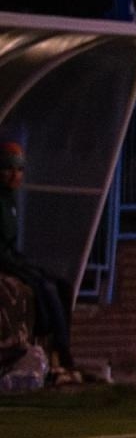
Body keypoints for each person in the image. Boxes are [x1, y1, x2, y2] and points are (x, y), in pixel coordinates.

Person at [0, 142, 80, 383]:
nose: (16, 175)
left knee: (62, 284)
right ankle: (58, 348)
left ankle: (62, 347)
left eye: (20, 169)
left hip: (12, 256)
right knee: (43, 287)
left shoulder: (10, 199)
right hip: (4, 259)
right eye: (8, 169)